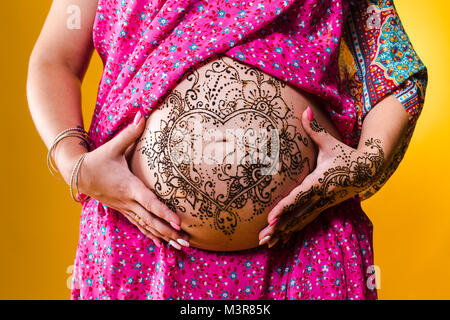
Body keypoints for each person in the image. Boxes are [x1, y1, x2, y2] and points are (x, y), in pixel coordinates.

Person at [27, 0, 427, 299]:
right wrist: (74, 165)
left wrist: (367, 160)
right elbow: (54, 59)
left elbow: (395, 67)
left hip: (307, 247)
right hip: (139, 248)